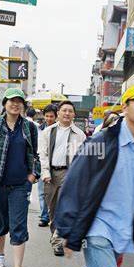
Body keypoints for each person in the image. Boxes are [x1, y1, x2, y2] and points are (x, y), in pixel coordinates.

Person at [42, 84, 134, 267]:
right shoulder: (101, 142)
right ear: (125, 107)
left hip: (123, 228)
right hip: (98, 226)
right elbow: (75, 183)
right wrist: (68, 228)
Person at [0, 88, 40, 267]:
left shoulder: (29, 128)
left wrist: (33, 176)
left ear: (23, 105)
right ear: (4, 103)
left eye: (19, 101)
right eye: (11, 101)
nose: (15, 104)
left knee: (18, 226)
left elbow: (35, 155)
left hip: (20, 186)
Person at [39, 100, 86, 256]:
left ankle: (58, 242)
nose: (67, 113)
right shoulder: (48, 132)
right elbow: (43, 154)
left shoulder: (80, 135)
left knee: (64, 208)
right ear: (58, 113)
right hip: (51, 174)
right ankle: (55, 235)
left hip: (69, 174)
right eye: (64, 110)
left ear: (74, 114)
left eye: (70, 111)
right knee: (52, 210)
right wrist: (45, 172)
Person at [37, 104, 57, 227]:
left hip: (55, 165)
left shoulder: (58, 129)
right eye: (47, 116)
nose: (49, 119)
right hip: (41, 163)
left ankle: (51, 216)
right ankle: (44, 216)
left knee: (53, 193)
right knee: (42, 192)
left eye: (52, 116)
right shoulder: (39, 129)